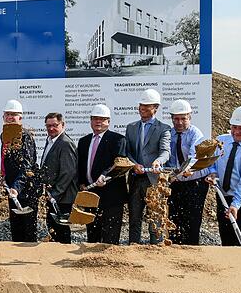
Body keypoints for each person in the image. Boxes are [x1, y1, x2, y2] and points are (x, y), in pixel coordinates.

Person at [206, 106, 241, 246]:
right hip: (225, 194)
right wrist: (212, 173)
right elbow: (211, 161)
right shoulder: (221, 141)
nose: (236, 132)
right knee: (226, 233)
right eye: (234, 127)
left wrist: (236, 204)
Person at [125, 88, 171, 244]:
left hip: (153, 180)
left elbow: (165, 151)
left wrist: (158, 161)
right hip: (136, 179)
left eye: (147, 106)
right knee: (134, 218)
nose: (142, 109)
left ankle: (156, 249)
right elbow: (128, 152)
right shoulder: (131, 127)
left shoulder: (163, 129)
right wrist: (133, 164)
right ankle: (133, 249)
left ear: (155, 108)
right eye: (141, 106)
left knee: (155, 220)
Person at [77, 104, 128, 244]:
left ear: (108, 121)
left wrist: (105, 175)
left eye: (102, 119)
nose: (98, 122)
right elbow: (80, 165)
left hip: (111, 196)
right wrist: (81, 182)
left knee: (110, 238)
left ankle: (110, 263)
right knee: (93, 234)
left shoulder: (118, 140)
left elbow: (118, 163)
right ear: (90, 120)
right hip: (91, 195)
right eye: (95, 119)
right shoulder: (83, 142)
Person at [165, 99, 210, 245]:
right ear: (171, 118)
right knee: (174, 218)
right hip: (176, 183)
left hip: (195, 183)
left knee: (191, 220)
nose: (179, 122)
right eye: (176, 118)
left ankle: (192, 250)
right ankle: (175, 251)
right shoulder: (170, 134)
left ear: (189, 117)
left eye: (183, 118)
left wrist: (177, 174)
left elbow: (192, 158)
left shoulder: (195, 134)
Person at [1, 99, 40, 242]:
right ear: (3, 117)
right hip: (13, 188)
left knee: (28, 231)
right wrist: (5, 177)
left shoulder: (25, 137)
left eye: (14, 115)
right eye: (8, 114)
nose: (10, 117)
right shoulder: (5, 135)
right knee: (16, 229)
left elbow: (27, 167)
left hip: (27, 189)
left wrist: (17, 187)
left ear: (20, 118)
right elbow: (7, 161)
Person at [39, 112, 78, 244]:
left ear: (63, 125)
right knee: (52, 227)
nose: (51, 128)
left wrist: (55, 194)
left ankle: (63, 256)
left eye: (55, 125)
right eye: (48, 126)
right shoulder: (50, 140)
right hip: (53, 194)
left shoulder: (65, 143)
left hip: (62, 197)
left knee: (61, 230)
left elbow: (68, 172)